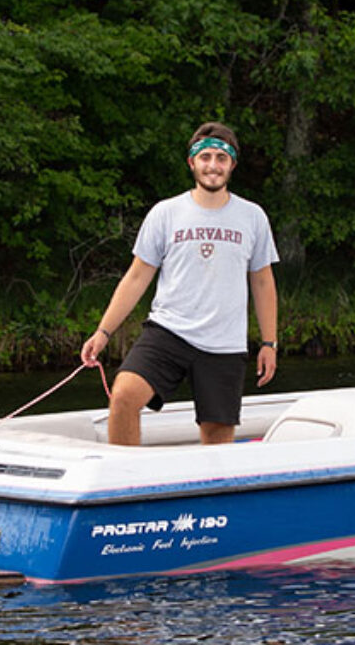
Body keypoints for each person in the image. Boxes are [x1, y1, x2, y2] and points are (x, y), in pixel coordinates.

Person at [81, 122, 279, 445]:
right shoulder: (166, 213)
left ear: (232, 165)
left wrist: (269, 343)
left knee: (217, 438)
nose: (212, 165)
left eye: (220, 158)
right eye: (205, 157)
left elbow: (262, 282)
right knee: (124, 396)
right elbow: (135, 278)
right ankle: (124, 482)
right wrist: (103, 333)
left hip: (224, 342)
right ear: (192, 163)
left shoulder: (252, 217)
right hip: (169, 331)